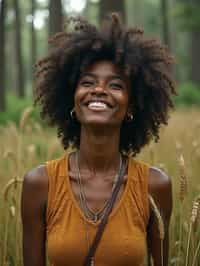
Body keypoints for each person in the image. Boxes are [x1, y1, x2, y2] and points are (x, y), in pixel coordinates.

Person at [21, 13, 176, 266]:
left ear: (131, 107)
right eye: (87, 82)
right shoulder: (40, 184)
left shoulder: (154, 186)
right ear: (72, 99)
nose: (99, 90)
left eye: (115, 85)